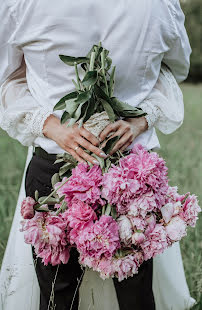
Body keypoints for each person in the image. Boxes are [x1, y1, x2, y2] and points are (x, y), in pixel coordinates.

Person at [0, 0, 194, 309]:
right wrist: (141, 119)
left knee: (59, 295)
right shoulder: (161, 4)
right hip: (133, 173)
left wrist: (52, 126)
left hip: (65, 167)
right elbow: (174, 69)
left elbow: (7, 80)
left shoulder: (21, 4)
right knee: (134, 293)